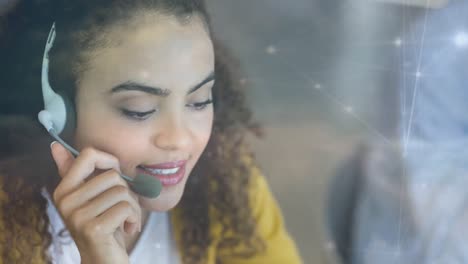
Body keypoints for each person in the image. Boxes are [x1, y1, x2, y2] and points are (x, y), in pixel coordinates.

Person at [0, 1, 302, 263]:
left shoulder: (228, 180)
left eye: (199, 102)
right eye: (139, 110)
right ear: (59, 113)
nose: (180, 140)